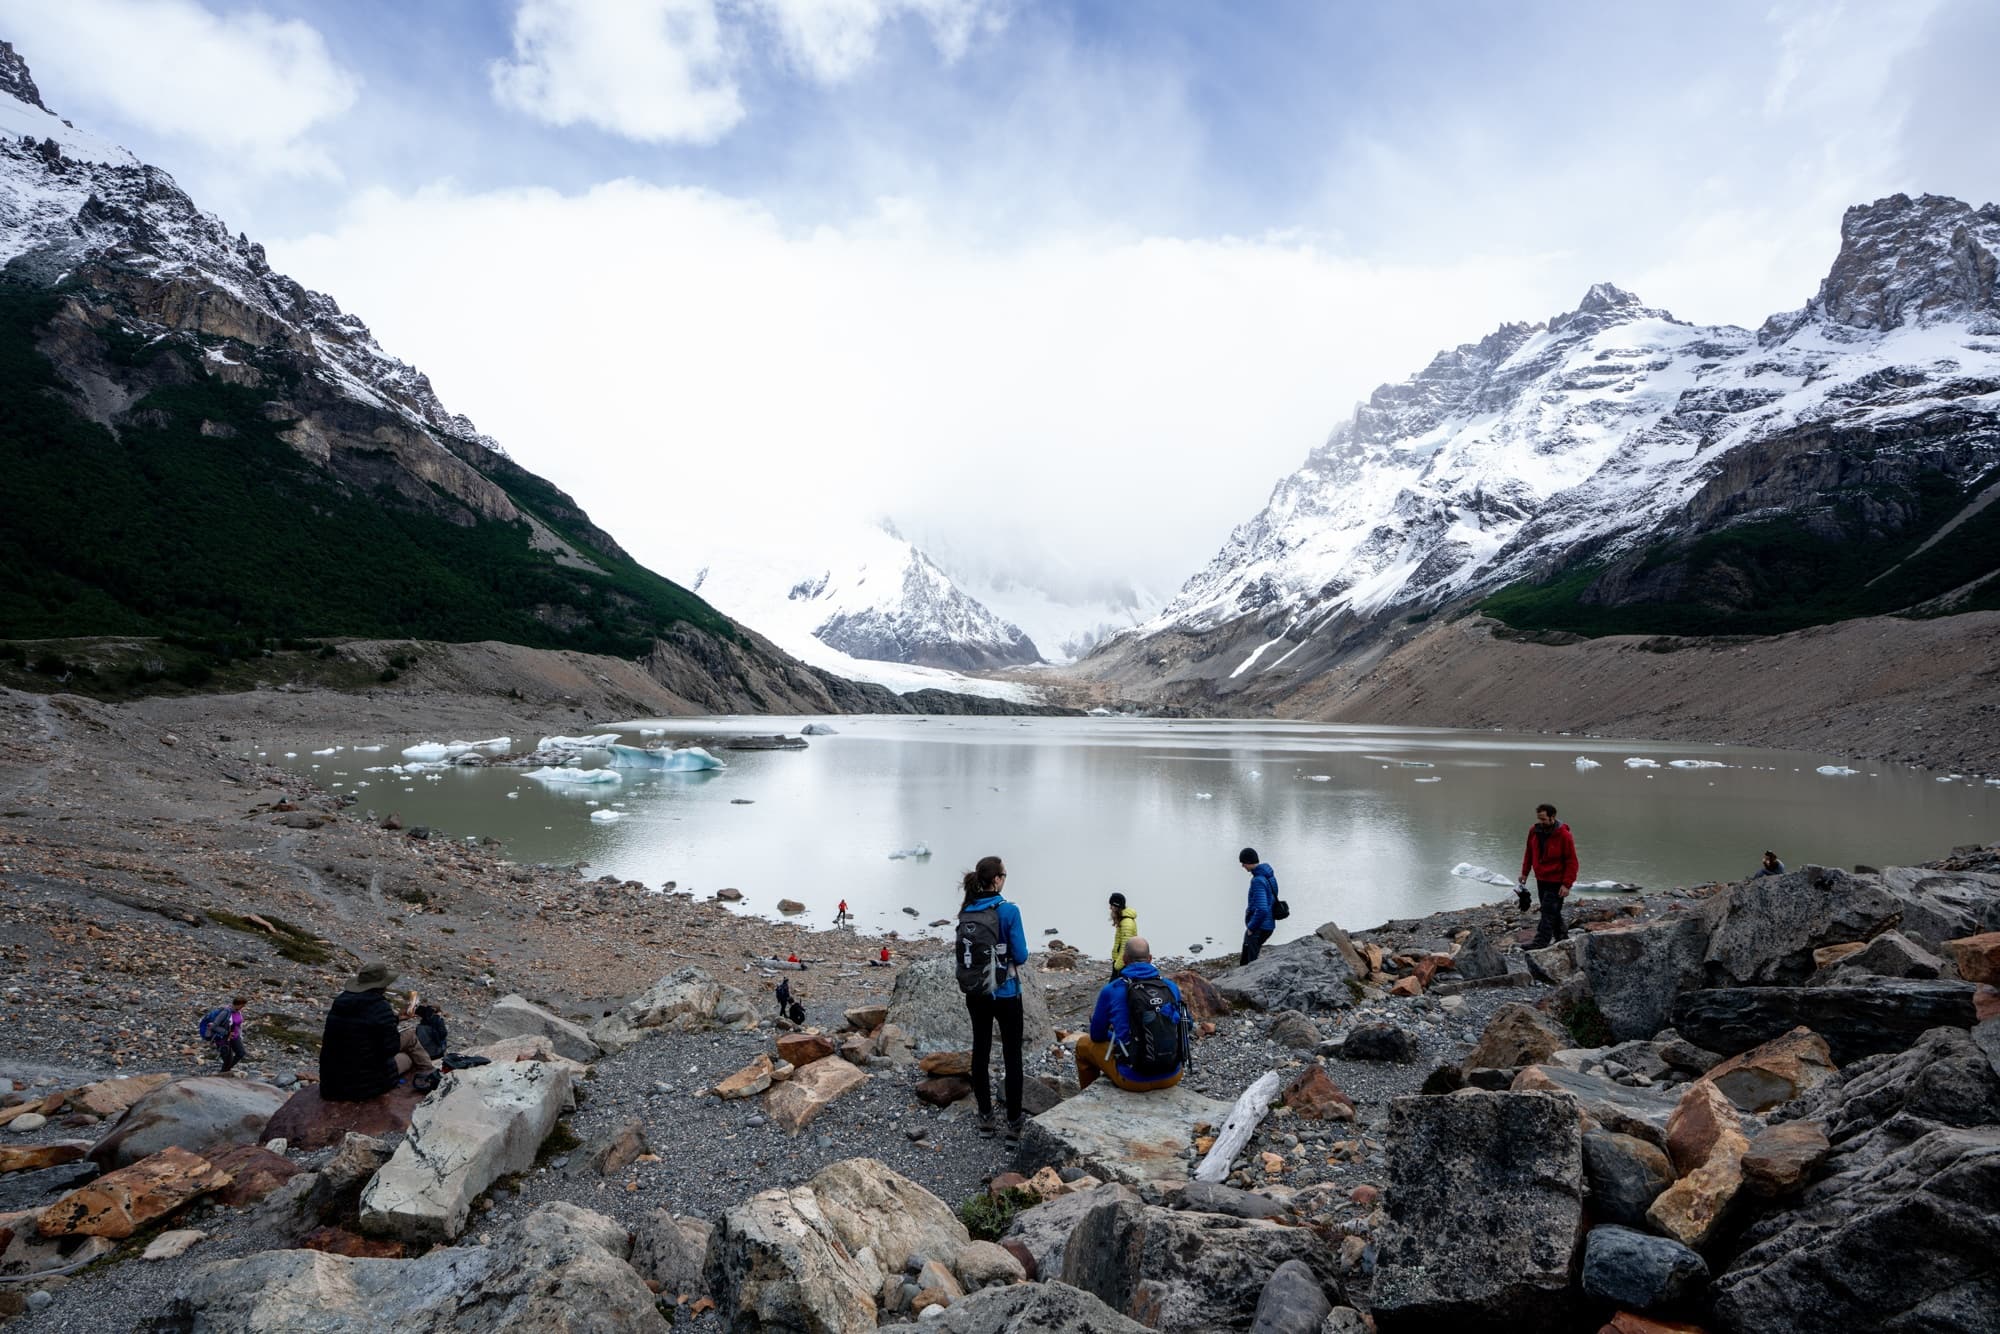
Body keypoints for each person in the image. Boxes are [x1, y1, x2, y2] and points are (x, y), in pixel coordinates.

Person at [956, 855, 1030, 1141]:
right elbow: (1021, 955)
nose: (1004, 879)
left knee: (981, 1050)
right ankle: (1013, 1122)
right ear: (997, 880)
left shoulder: (968, 910)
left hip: (976, 993)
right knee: (1012, 1056)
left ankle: (985, 1117)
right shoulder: (1008, 911)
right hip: (1007, 992)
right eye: (1004, 875)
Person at [1075, 938, 1188, 1092]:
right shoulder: (1170, 987)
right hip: (1172, 1075)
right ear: (1150, 959)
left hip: (1132, 1079)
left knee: (1083, 1045)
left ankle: (1087, 1097)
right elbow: (1186, 1025)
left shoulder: (1112, 989)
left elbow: (1097, 1036)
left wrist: (1116, 1036)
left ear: (1124, 959)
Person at [319, 961, 437, 1100]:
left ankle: (429, 1072)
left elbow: (361, 1025)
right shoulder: (379, 1006)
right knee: (409, 1050)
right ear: (381, 985)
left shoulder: (340, 1001)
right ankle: (431, 1075)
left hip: (331, 1084)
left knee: (405, 1050)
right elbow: (390, 1048)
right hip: (365, 1085)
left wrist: (397, 1018)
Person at [1517, 804, 1579, 949]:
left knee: (1547, 911)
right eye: (1539, 819)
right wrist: (1525, 872)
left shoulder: (1564, 835)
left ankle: (1540, 943)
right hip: (1541, 879)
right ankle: (1562, 938)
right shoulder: (1534, 831)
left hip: (1557, 881)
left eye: (1544, 819)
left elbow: (1572, 861)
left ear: (1553, 817)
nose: (1541, 822)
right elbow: (1529, 852)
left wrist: (1567, 884)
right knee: (1552, 911)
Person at [1239, 848, 1278, 964]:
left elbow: (1262, 909)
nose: (1242, 866)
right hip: (1269, 925)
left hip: (1259, 927)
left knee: (1248, 961)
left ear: (1248, 862)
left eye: (1243, 863)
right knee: (1251, 956)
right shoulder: (1269, 876)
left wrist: (1251, 927)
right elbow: (1272, 900)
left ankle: (1245, 981)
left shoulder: (1258, 881)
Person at [212, 996, 248, 1074]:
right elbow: (214, 1026)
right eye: (243, 1005)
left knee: (241, 1053)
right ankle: (223, 1073)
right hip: (224, 1039)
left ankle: (225, 1071)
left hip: (235, 1037)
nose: (243, 1007)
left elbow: (238, 1024)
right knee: (228, 1059)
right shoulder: (225, 1012)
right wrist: (226, 1032)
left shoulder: (238, 1011)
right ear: (239, 1004)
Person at [1108, 892, 1138, 979]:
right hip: (1122, 961)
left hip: (1123, 963)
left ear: (1117, 907)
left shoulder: (1127, 923)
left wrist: (1118, 965)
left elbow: (1125, 946)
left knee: (1115, 988)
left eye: (1112, 905)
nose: (1110, 908)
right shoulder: (1123, 920)